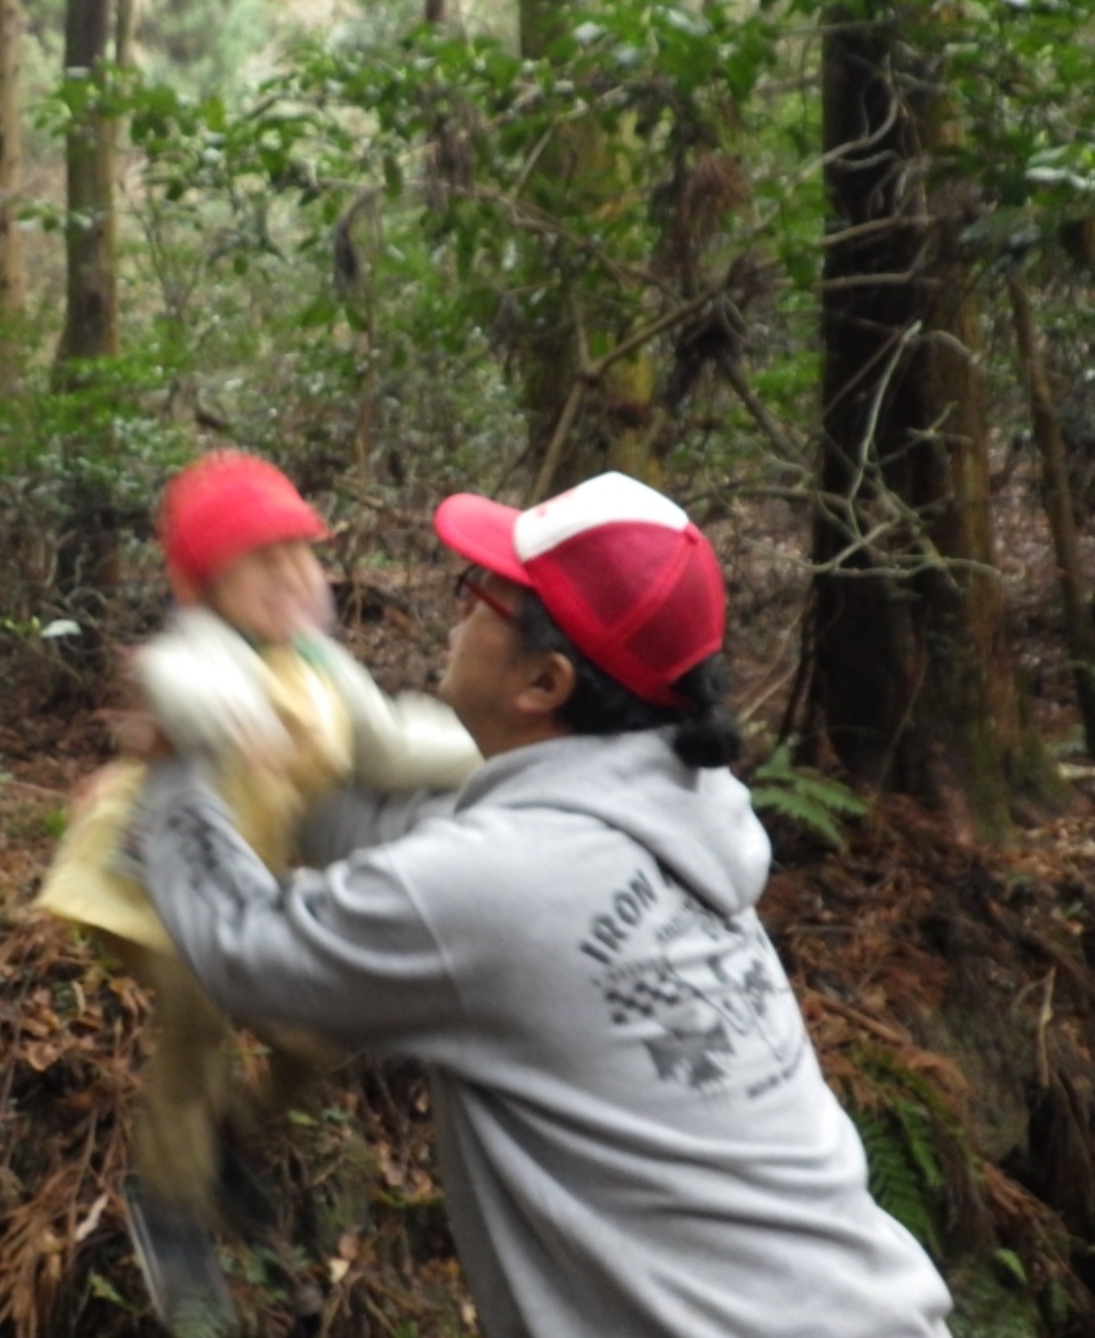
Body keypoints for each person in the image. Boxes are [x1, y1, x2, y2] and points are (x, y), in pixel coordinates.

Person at [129, 471, 954, 1338]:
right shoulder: (675, 807)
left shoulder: (499, 880)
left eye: (478, 594)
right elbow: (401, 831)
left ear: (543, 683)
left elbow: (249, 949)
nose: (457, 614)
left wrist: (178, 773)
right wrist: (272, 736)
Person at [36, 450, 479, 1334]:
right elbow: (177, 679)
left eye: (298, 555)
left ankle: (227, 1136)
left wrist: (498, 752)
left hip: (242, 885)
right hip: (149, 880)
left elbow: (389, 747)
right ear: (206, 585)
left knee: (319, 1033)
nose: (287, 578)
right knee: (195, 1033)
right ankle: (167, 1209)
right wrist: (230, 713)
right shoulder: (206, 651)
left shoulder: (323, 665)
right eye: (257, 561)